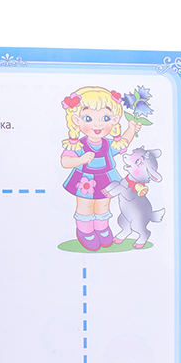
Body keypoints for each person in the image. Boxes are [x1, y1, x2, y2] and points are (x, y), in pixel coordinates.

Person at [60, 87, 142, 250]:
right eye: (88, 118)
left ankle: (102, 228)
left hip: (106, 179)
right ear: (77, 120)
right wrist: (81, 159)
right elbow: (65, 161)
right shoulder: (78, 145)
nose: (97, 124)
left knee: (103, 205)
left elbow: (123, 143)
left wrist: (131, 129)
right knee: (86, 205)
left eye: (105, 118)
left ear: (114, 120)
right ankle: (85, 231)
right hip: (85, 181)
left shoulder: (108, 144)